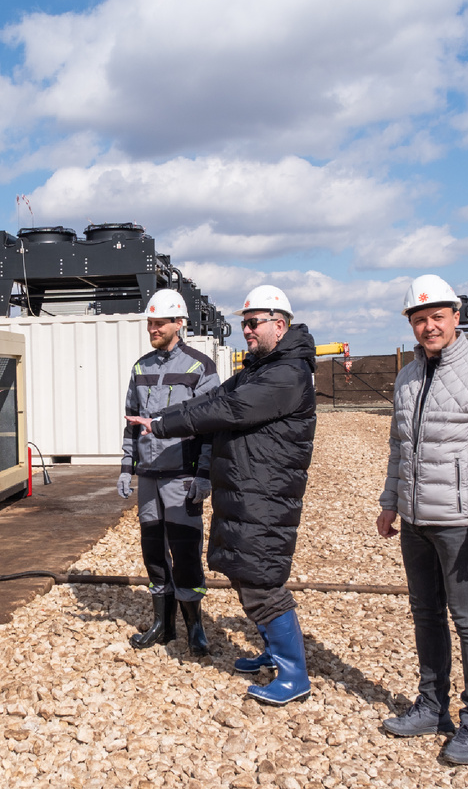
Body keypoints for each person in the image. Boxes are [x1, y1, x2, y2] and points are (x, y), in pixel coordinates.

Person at [126, 285, 316, 704]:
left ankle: (294, 674)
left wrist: (161, 425)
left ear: (279, 325)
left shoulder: (286, 373)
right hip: (249, 486)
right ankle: (272, 653)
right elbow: (215, 397)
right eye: (243, 323)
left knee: (262, 578)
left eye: (253, 323)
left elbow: (225, 410)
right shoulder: (260, 368)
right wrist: (163, 417)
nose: (245, 330)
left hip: (266, 489)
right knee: (245, 570)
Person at [376, 274, 468, 765]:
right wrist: (390, 501)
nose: (428, 326)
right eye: (419, 319)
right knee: (425, 613)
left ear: (456, 316)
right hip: (416, 521)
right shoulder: (407, 376)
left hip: (463, 522)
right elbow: (401, 446)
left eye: (437, 316)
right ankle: (432, 706)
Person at [118, 288, 221, 656]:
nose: (152, 329)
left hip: (182, 476)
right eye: (149, 323)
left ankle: (195, 625)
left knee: (185, 549)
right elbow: (131, 422)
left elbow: (212, 426)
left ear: (179, 323)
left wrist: (204, 474)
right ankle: (163, 625)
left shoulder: (201, 368)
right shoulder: (140, 367)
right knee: (153, 550)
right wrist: (126, 467)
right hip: (149, 476)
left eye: (159, 323)